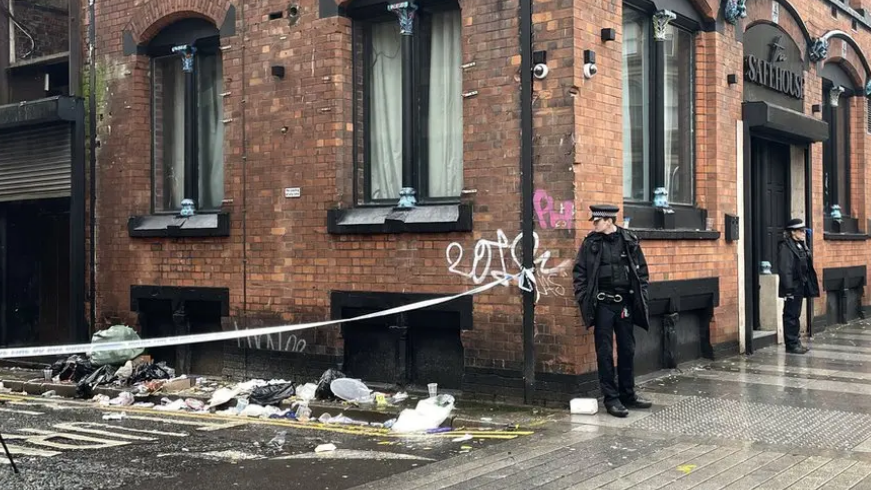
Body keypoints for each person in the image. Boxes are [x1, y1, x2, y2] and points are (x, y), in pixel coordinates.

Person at [572, 204, 652, 417]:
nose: (594, 224)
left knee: (627, 349)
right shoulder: (591, 243)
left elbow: (641, 272)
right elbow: (579, 272)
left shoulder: (629, 240)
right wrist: (583, 297)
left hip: (624, 303)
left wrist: (641, 293)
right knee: (605, 352)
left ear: (609, 221)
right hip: (603, 306)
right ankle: (611, 399)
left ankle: (628, 394)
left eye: (597, 221)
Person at [777, 218, 819, 354]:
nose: (803, 233)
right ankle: (791, 344)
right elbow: (785, 269)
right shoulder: (785, 246)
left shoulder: (800, 244)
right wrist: (788, 290)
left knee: (796, 314)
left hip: (800, 285)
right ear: (792, 232)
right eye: (801, 231)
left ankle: (796, 341)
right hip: (792, 287)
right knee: (790, 315)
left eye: (804, 230)